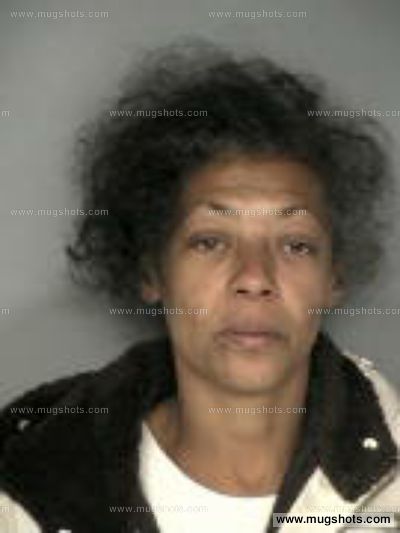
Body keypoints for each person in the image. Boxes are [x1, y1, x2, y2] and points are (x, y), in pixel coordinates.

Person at [0, 39, 399, 533]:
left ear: (333, 279)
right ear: (152, 272)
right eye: (210, 241)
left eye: (296, 244)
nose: (254, 278)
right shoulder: (31, 491)